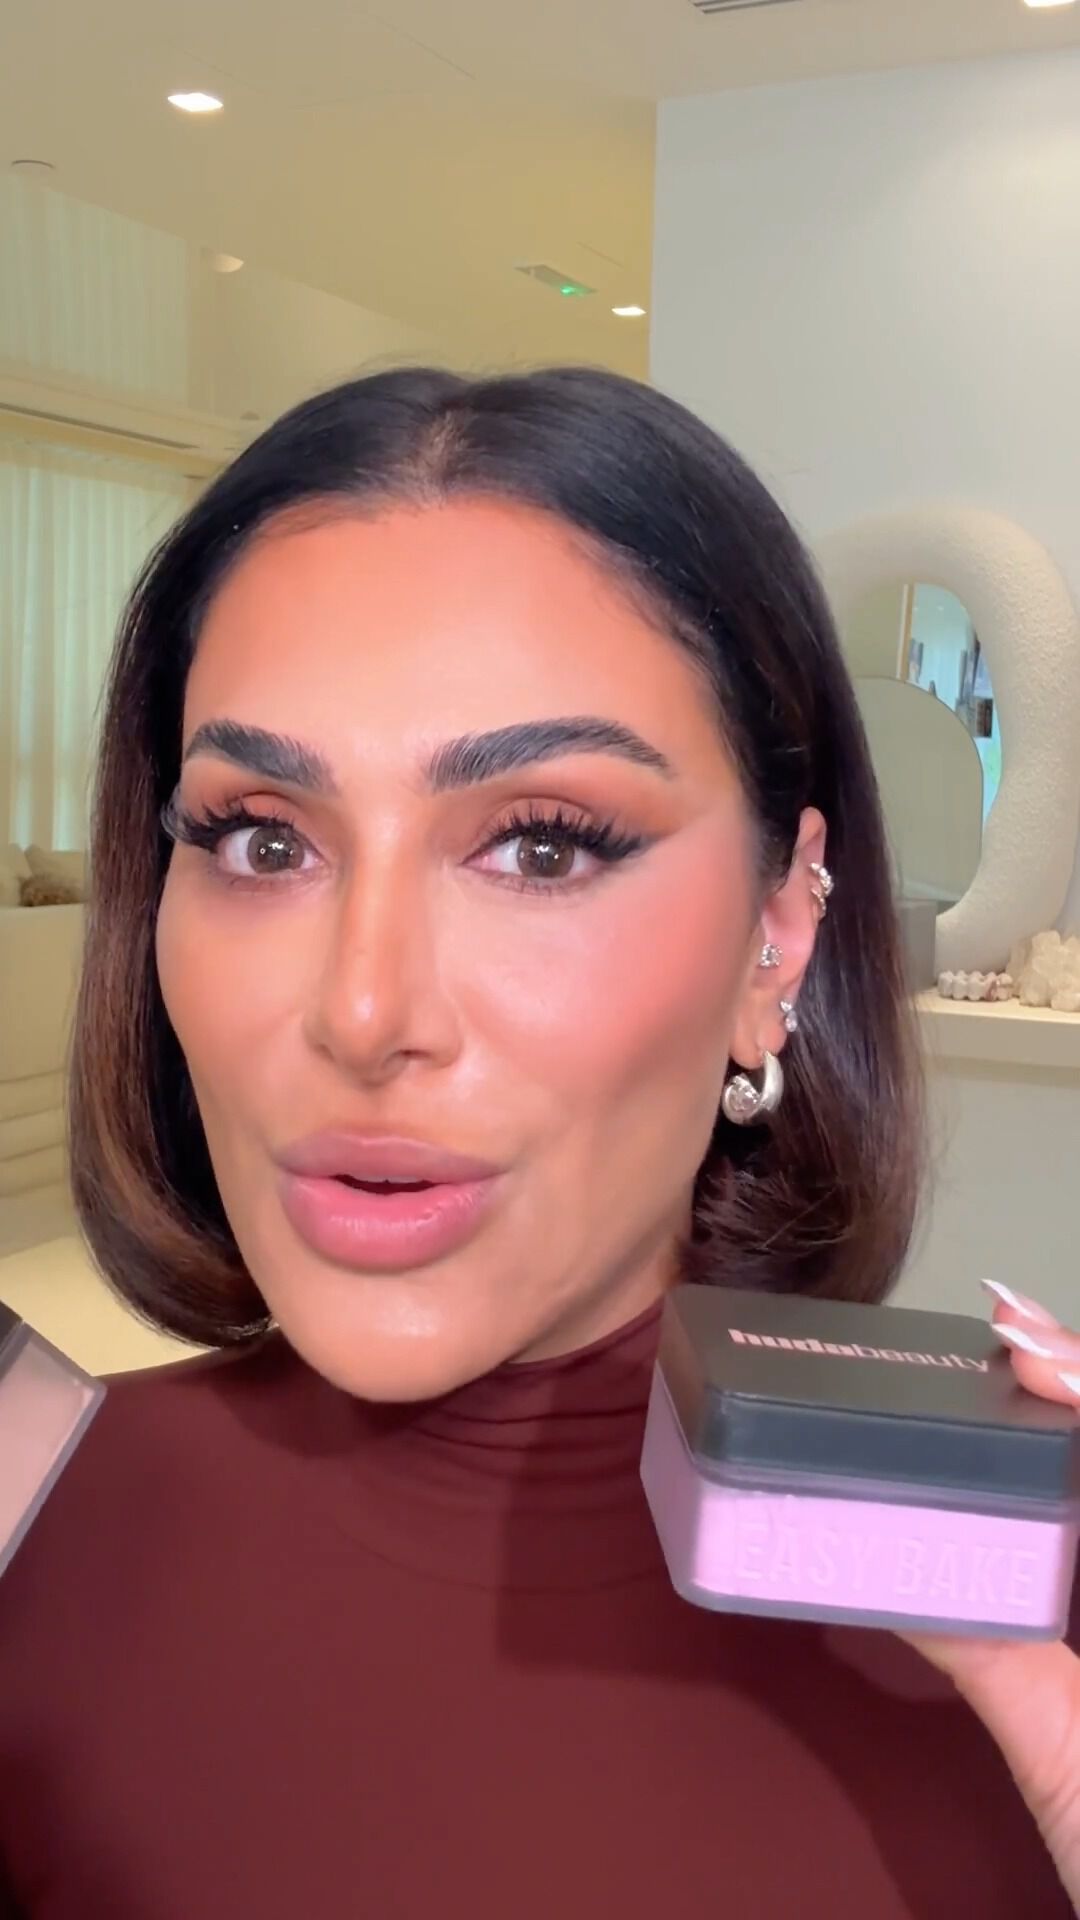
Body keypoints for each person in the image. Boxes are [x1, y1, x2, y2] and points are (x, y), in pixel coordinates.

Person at [0, 367, 1076, 1918]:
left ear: (778, 927)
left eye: (543, 847)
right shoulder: (37, 1515)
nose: (363, 1013)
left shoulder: (1038, 1613)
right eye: (263, 839)